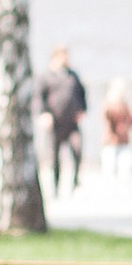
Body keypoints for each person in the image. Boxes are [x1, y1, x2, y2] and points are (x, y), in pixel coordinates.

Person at [38, 45, 88, 196]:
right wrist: (44, 114)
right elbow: (39, 98)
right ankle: (56, 187)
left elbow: (82, 93)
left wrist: (82, 110)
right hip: (55, 123)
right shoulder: (46, 76)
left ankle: (75, 181)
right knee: (54, 157)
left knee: (77, 150)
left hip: (71, 122)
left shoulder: (72, 75)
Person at [102, 77, 132, 183]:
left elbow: (130, 120)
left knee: (126, 166)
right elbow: (107, 118)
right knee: (109, 168)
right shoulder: (108, 104)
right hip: (111, 141)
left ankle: (124, 189)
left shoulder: (124, 105)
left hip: (124, 140)